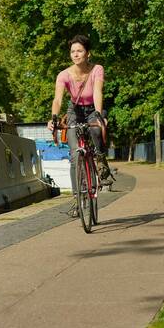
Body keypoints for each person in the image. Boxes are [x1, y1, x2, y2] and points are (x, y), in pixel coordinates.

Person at [47, 35, 111, 217]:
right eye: (73, 51)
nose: (76, 54)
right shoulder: (64, 75)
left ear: (87, 53)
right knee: (75, 154)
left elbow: (98, 91)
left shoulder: (97, 69)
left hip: (93, 109)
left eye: (80, 51)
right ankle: (77, 200)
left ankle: (100, 160)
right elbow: (58, 99)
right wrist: (54, 117)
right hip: (74, 110)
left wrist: (98, 114)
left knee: (95, 129)